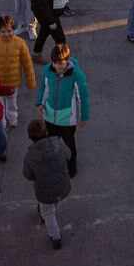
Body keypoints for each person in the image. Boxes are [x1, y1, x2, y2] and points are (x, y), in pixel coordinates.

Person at [37, 43, 89, 177]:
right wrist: (40, 104)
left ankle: (72, 166)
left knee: (69, 144)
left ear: (68, 61)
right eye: (56, 63)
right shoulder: (47, 71)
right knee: (52, 143)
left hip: (67, 119)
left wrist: (83, 117)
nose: (59, 66)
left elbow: (82, 97)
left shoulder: (77, 75)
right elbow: (43, 88)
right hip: (49, 116)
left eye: (62, 63)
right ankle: (55, 164)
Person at [23, 119, 73, 250]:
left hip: (44, 192)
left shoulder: (30, 155)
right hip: (62, 185)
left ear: (31, 137)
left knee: (49, 214)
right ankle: (48, 207)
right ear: (46, 132)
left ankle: (55, 237)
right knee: (53, 203)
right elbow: (69, 155)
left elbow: (28, 175)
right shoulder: (58, 143)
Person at [0, 14, 37, 130]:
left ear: (13, 29)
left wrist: (31, 81)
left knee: (12, 103)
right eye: (3, 31)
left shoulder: (20, 43)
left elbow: (27, 64)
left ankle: (12, 119)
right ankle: (1, 122)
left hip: (13, 82)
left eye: (9, 31)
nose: (6, 34)